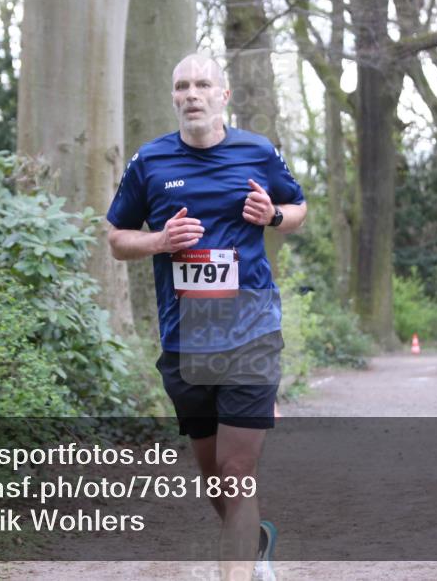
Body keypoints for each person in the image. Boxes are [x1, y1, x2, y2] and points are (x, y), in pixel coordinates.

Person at [107, 53, 306, 581]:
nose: (191, 94)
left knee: (238, 472)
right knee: (216, 479)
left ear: (224, 95)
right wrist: (159, 240)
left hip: (251, 331)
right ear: (173, 97)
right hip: (184, 339)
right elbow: (116, 238)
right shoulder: (149, 163)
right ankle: (256, 541)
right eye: (181, 86)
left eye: (202, 84)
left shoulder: (257, 152)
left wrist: (275, 216)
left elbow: (298, 208)